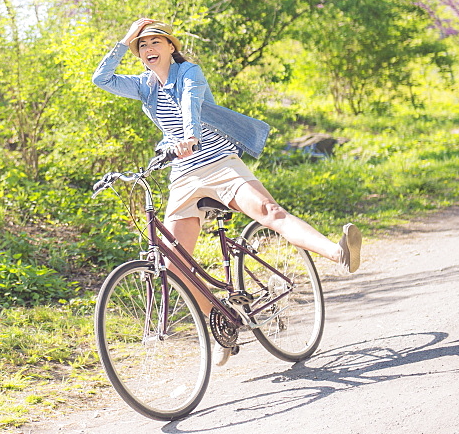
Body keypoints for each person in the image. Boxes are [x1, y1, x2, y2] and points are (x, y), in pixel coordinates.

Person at [92, 18, 362, 364]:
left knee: (270, 213)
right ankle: (222, 323)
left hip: (219, 163)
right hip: (183, 174)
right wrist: (125, 39)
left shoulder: (189, 72)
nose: (148, 50)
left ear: (171, 47)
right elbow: (101, 79)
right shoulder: (145, 86)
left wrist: (190, 136)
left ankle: (338, 252)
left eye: (155, 42)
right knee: (175, 266)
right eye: (142, 46)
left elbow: (190, 102)